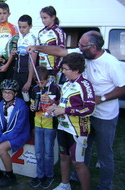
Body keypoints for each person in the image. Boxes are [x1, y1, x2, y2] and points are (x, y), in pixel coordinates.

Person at [28, 30, 125, 190]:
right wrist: (37, 47)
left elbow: (123, 87)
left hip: (104, 115)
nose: (78, 48)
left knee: (104, 153)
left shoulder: (111, 63)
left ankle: (105, 185)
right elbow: (59, 51)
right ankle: (74, 178)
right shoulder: (80, 57)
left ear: (93, 47)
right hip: (79, 118)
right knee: (83, 148)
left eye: (82, 45)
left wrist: (102, 98)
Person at [46, 53, 95, 190]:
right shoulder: (66, 84)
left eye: (66, 69)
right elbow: (63, 103)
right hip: (63, 126)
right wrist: (53, 105)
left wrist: (65, 111)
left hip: (77, 129)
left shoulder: (85, 85)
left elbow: (90, 108)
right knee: (63, 157)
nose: (63, 71)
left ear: (76, 70)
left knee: (78, 162)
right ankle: (65, 184)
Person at [0, 79, 30, 187]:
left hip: (20, 134)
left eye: (9, 93)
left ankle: (10, 176)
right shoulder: (1, 104)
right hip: (7, 133)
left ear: (15, 94)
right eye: (5, 92)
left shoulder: (21, 107)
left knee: (1, 148)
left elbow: (17, 130)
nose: (7, 95)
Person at [29, 66, 60, 189]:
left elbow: (61, 105)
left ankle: (49, 175)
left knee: (48, 153)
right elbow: (32, 104)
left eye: (41, 81)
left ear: (48, 79)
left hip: (50, 125)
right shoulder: (35, 89)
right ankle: (40, 175)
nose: (39, 83)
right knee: (38, 152)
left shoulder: (55, 89)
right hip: (38, 124)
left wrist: (52, 102)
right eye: (37, 81)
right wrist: (32, 107)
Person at [38, 6, 66, 82]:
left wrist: (56, 68)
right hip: (42, 68)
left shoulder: (58, 31)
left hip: (53, 68)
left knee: (52, 91)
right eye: (42, 18)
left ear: (53, 17)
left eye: (45, 18)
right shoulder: (41, 32)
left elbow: (61, 51)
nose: (43, 20)